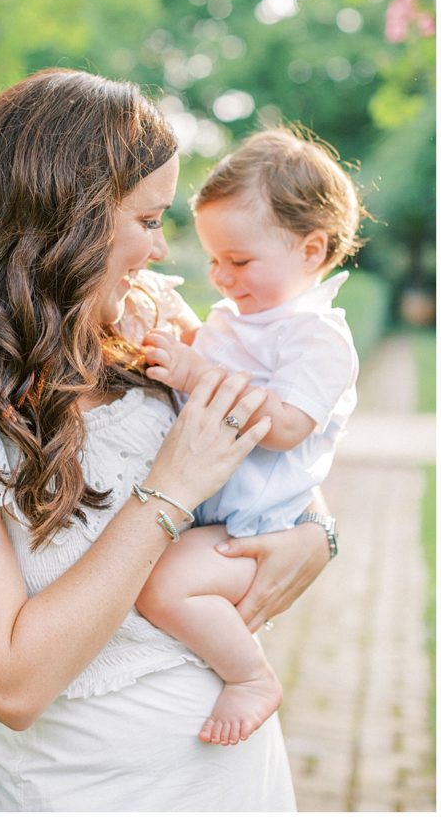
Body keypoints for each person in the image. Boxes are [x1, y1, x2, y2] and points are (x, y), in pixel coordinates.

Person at [0, 71, 333, 812]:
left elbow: (274, 453)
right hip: (88, 793)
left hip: (239, 780)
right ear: (67, 220)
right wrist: (170, 490)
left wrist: (320, 531)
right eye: (149, 220)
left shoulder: (144, 316)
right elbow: (11, 682)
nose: (162, 252)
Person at [137, 127, 362, 749]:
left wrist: (195, 372)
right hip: (214, 510)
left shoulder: (315, 336)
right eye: (213, 259)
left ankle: (251, 677)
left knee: (164, 587)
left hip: (255, 523)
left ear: (311, 251)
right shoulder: (241, 321)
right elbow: (200, 354)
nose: (221, 277)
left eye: (239, 261)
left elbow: (287, 426)